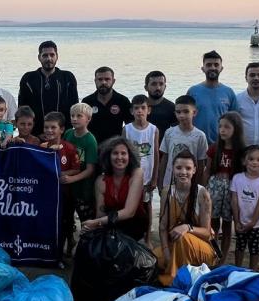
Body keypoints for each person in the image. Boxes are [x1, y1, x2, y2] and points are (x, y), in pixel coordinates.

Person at [157, 150, 216, 284]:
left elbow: (207, 233)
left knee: (183, 237)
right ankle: (178, 268)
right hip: (174, 245)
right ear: (172, 168)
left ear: (194, 170)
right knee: (155, 258)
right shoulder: (167, 191)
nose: (183, 172)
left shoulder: (202, 194)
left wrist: (187, 227)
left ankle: (175, 279)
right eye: (179, 168)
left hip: (200, 246)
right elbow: (162, 227)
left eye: (188, 168)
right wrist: (166, 252)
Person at [81, 138, 147, 241]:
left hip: (134, 225)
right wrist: (93, 226)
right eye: (115, 153)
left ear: (130, 156)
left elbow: (129, 212)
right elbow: (100, 214)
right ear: (108, 156)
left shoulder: (137, 173)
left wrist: (96, 222)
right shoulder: (100, 181)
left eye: (123, 153)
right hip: (110, 225)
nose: (119, 157)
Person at [202, 111, 245, 260]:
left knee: (227, 224)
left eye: (227, 127)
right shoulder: (214, 148)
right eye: (220, 126)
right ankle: (213, 253)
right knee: (213, 223)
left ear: (236, 129)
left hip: (232, 189)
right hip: (214, 187)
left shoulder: (241, 151)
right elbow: (207, 171)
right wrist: (202, 189)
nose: (222, 130)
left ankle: (224, 257)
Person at [18, 40, 79, 134]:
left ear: (57, 56)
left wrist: (68, 131)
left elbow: (74, 107)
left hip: (62, 134)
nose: (49, 58)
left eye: (52, 55)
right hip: (36, 134)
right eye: (45, 55)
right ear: (39, 57)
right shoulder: (28, 79)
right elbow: (22, 109)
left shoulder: (67, 78)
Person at [41, 111, 81, 254]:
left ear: (62, 129)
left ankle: (68, 243)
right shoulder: (42, 147)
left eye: (53, 127)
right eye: (46, 127)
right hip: (48, 193)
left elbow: (76, 169)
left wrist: (61, 174)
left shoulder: (69, 148)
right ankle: (53, 249)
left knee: (66, 221)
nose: (49, 131)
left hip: (65, 194)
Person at [230, 146, 259, 271]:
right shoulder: (237, 178)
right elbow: (234, 200)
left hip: (255, 223)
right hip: (240, 221)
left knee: (253, 247)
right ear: (244, 161)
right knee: (239, 246)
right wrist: (237, 221)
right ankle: (237, 269)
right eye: (251, 159)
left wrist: (252, 222)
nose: (255, 162)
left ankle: (252, 271)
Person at [123, 95, 159, 240]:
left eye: (143, 108)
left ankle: (148, 237)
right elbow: (123, 153)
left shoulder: (153, 129)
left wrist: (155, 178)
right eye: (136, 108)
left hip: (147, 176)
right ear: (132, 111)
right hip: (131, 176)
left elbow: (156, 154)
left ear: (148, 110)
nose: (140, 111)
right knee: (130, 205)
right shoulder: (127, 129)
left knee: (147, 205)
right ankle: (130, 235)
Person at [186, 50, 238, 146]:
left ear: (221, 68)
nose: (212, 67)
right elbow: (185, 118)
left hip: (221, 144)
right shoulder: (193, 91)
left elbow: (235, 122)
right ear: (203, 68)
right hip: (196, 143)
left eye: (216, 65)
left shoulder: (229, 92)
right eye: (209, 65)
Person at [156, 96, 209, 191]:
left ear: (194, 112)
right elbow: (164, 158)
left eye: (186, 111)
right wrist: (160, 183)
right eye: (178, 112)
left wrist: (198, 186)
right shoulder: (169, 132)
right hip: (170, 184)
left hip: (190, 183)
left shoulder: (200, 136)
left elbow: (201, 165)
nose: (181, 115)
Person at [62, 102, 99, 224]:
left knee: (86, 218)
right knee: (66, 216)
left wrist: (73, 179)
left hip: (83, 188)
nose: (74, 119)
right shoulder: (68, 133)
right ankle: (70, 238)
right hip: (68, 185)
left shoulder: (90, 140)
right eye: (72, 115)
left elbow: (90, 169)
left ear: (88, 119)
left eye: (79, 116)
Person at [82, 66, 132, 144]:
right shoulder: (87, 101)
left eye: (107, 79)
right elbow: (82, 126)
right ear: (95, 81)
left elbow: (130, 127)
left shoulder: (123, 101)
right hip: (93, 146)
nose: (103, 82)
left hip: (116, 147)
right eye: (100, 79)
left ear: (113, 81)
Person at [144, 70, 177, 137]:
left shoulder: (172, 108)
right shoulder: (139, 108)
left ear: (165, 87)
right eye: (154, 84)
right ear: (146, 87)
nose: (158, 87)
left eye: (161, 84)